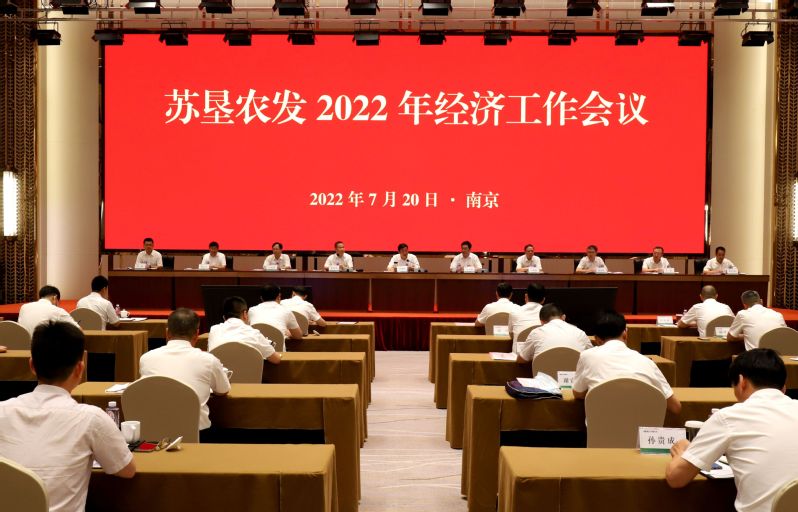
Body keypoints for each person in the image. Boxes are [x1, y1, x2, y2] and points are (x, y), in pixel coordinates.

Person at [0, 322, 135, 512]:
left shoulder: (2, 410)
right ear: (80, 369)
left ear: (32, 365)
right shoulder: (91, 418)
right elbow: (127, 470)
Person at [666, 349, 798, 512]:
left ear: (741, 382)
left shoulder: (728, 417)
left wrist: (681, 452)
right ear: (783, 389)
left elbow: (676, 478)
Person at [572, 311, 681, 415]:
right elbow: (675, 407)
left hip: (599, 428)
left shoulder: (587, 356)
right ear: (625, 334)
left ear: (597, 339)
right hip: (641, 428)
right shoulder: (647, 362)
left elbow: (578, 393)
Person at [139, 308, 231, 431]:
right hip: (196, 434)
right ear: (197, 334)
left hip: (154, 432)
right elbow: (223, 390)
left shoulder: (146, 358)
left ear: (167, 333)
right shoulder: (208, 360)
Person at [208, 296, 281, 363]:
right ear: (245, 314)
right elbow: (276, 359)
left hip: (219, 373)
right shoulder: (253, 333)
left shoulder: (213, 330)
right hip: (250, 373)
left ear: (224, 317)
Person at [516, 303, 593, 364]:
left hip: (542, 378)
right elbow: (590, 357)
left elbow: (521, 359)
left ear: (541, 321)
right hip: (575, 378)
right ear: (563, 317)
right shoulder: (580, 333)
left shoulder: (536, 333)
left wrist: (536, 357)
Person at [509, 283, 546, 352]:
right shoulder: (548, 315)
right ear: (543, 300)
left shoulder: (514, 312)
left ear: (526, 296)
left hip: (518, 355)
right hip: (541, 354)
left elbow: (511, 335)